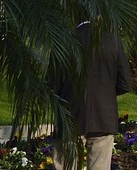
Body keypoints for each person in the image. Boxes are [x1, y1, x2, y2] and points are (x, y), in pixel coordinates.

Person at [53, 20, 132, 170]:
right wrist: (106, 94)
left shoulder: (63, 41)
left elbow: (52, 83)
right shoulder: (112, 41)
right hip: (104, 116)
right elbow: (125, 84)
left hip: (69, 115)